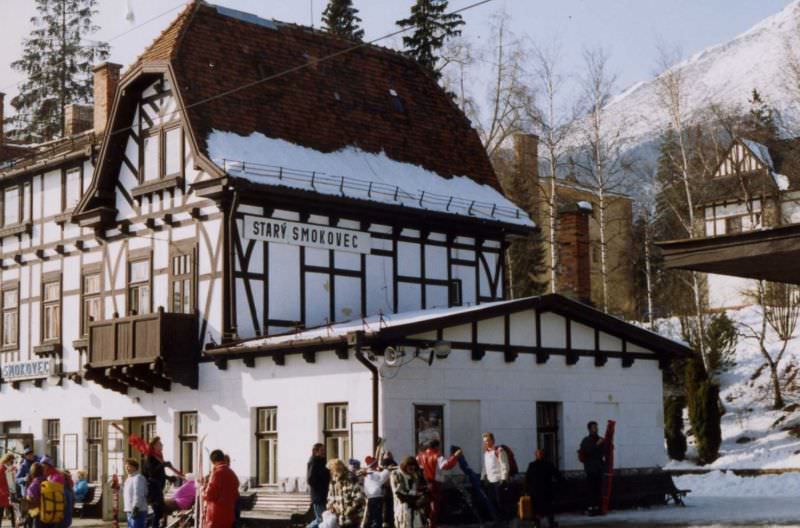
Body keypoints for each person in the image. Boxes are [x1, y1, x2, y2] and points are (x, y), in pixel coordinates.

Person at [415, 440, 459, 528]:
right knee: (434, 506)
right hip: (435, 483)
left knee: (426, 505)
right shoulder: (437, 455)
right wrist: (455, 456)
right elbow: (446, 465)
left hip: (425, 482)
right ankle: (432, 524)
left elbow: (417, 465)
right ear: (436, 447)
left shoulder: (420, 456)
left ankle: (425, 522)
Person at [525, 450, 562, 528]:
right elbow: (558, 475)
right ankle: (550, 523)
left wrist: (526, 490)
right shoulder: (548, 464)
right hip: (546, 490)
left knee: (536, 508)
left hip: (535, 491)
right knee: (548, 507)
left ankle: (536, 524)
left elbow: (527, 479)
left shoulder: (532, 465)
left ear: (535, 456)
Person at [203, 450, 239, 528]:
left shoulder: (216, 473)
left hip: (216, 515)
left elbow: (209, 495)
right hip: (229, 514)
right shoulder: (232, 474)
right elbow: (236, 495)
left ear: (213, 462)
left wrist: (202, 489)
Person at [326, 459, 364, 528]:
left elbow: (359, 497)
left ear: (337, 469)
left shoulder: (351, 479)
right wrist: (330, 506)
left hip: (352, 518)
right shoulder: (333, 481)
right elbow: (330, 498)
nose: (331, 472)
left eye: (332, 470)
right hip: (339, 519)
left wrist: (350, 509)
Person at [142, 437, 171, 528]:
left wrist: (169, 477)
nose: (162, 445)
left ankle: (150, 525)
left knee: (159, 511)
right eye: (159, 444)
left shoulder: (159, 456)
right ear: (154, 446)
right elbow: (152, 473)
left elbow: (160, 473)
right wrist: (163, 465)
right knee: (157, 511)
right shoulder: (150, 457)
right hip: (152, 489)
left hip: (159, 488)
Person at [481, 432, 510, 520]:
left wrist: (504, 479)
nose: (485, 443)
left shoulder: (499, 451)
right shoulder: (486, 453)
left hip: (499, 481)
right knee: (492, 503)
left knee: (500, 503)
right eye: (484, 441)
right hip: (490, 482)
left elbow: (505, 465)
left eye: (487, 441)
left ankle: (505, 522)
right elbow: (485, 467)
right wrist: (482, 478)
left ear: (493, 441)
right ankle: (497, 521)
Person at [578, 421, 605, 516]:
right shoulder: (586, 440)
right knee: (591, 489)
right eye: (594, 427)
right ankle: (591, 508)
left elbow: (604, 451)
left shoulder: (600, 439)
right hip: (590, 469)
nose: (596, 429)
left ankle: (597, 507)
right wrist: (597, 444)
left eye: (596, 427)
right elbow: (588, 451)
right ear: (589, 429)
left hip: (599, 468)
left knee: (598, 489)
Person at [389, 457, 424, 528]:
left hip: (414, 509)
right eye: (410, 468)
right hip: (403, 508)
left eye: (414, 469)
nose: (412, 470)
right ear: (406, 466)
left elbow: (418, 488)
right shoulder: (396, 474)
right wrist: (414, 494)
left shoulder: (414, 475)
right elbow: (399, 492)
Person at [361, 456, 389, 528]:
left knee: (371, 518)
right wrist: (385, 468)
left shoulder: (367, 475)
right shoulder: (376, 474)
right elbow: (386, 474)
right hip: (377, 498)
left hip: (369, 498)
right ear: (375, 465)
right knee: (377, 519)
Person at [306, 444, 330, 528]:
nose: (324, 452)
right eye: (321, 450)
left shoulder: (322, 461)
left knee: (323, 519)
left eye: (324, 450)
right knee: (321, 519)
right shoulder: (314, 462)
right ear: (316, 451)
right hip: (318, 496)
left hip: (323, 495)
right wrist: (320, 487)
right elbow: (310, 479)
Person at [123, 459, 147, 528]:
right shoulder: (129, 479)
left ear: (135, 467)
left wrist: (136, 507)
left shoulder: (138, 478)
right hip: (130, 509)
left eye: (129, 466)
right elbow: (127, 493)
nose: (127, 468)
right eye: (126, 467)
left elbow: (139, 494)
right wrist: (117, 487)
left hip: (138, 510)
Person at [25, 463, 45, 528]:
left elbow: (31, 503)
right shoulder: (48, 481)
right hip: (49, 514)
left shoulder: (33, 485)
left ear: (32, 472)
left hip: (38, 516)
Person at [0, 453, 15, 528]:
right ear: (7, 460)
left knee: (12, 512)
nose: (11, 463)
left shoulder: (6, 468)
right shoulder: (2, 468)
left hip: (7, 493)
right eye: (11, 461)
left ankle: (14, 525)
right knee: (1, 512)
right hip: (3, 494)